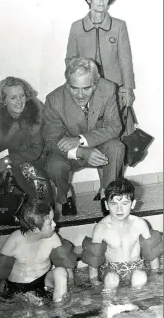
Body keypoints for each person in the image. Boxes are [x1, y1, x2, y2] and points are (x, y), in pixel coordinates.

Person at [65, 0, 136, 200]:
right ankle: (106, 186)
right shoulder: (77, 27)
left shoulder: (119, 26)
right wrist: (78, 90)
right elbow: (70, 60)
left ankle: (112, 188)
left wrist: (128, 88)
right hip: (90, 93)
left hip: (115, 92)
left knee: (119, 139)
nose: (101, 1)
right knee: (97, 137)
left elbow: (126, 60)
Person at [43, 58, 125, 216]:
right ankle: (65, 196)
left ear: (95, 83)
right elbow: (51, 140)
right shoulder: (54, 100)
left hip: (100, 148)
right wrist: (81, 151)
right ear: (67, 84)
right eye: (74, 88)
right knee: (54, 165)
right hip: (68, 153)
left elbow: (115, 127)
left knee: (117, 147)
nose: (80, 95)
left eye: (86, 88)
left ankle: (107, 194)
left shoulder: (107, 88)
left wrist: (81, 139)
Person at [0, 199, 77, 306]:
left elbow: (64, 261)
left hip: (43, 281)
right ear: (35, 229)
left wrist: (71, 284)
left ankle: (59, 308)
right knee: (34, 304)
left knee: (61, 271)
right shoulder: (15, 240)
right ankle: (32, 301)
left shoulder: (53, 238)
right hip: (19, 287)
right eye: (50, 223)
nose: (55, 224)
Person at [0, 76, 54, 207]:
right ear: (3, 101)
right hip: (6, 165)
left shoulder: (36, 112)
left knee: (25, 169)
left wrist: (8, 160)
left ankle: (42, 210)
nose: (19, 101)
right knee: (10, 185)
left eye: (22, 96)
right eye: (13, 98)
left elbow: (36, 151)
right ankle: (17, 209)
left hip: (35, 160)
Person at [81, 178, 162, 293]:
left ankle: (137, 305)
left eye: (125, 203)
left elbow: (152, 252)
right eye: (113, 204)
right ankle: (108, 306)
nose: (119, 209)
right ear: (106, 205)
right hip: (111, 268)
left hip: (135, 266)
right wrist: (94, 281)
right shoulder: (101, 227)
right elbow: (94, 256)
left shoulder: (139, 224)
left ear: (133, 204)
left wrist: (155, 274)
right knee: (111, 279)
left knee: (140, 277)